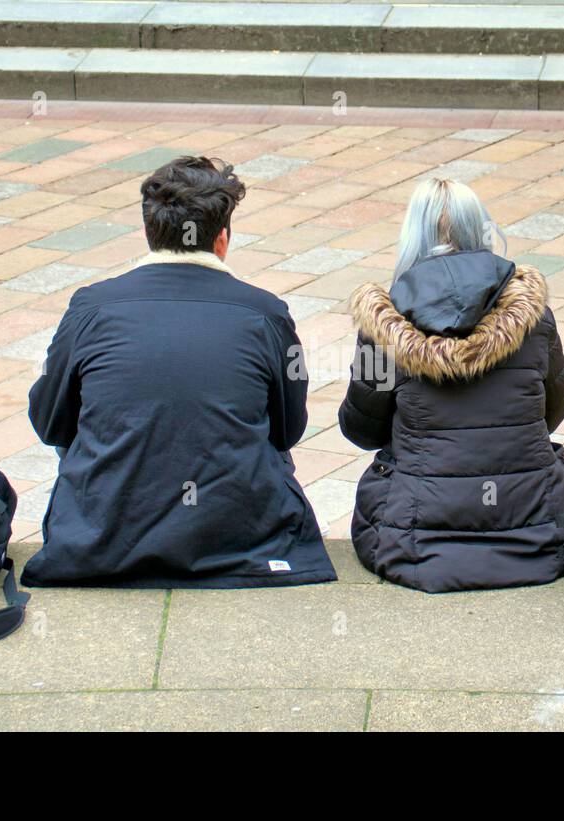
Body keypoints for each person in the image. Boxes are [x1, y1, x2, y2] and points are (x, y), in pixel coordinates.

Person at [22, 156, 336, 589]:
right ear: (221, 239)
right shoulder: (266, 313)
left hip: (101, 537)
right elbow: (287, 430)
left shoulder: (91, 307)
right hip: (241, 536)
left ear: (150, 233)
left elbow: (49, 423)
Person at [338, 177, 564, 593]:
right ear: (482, 229)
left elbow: (362, 431)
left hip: (411, 544)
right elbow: (552, 414)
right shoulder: (533, 316)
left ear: (411, 236)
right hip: (541, 538)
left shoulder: (384, 326)